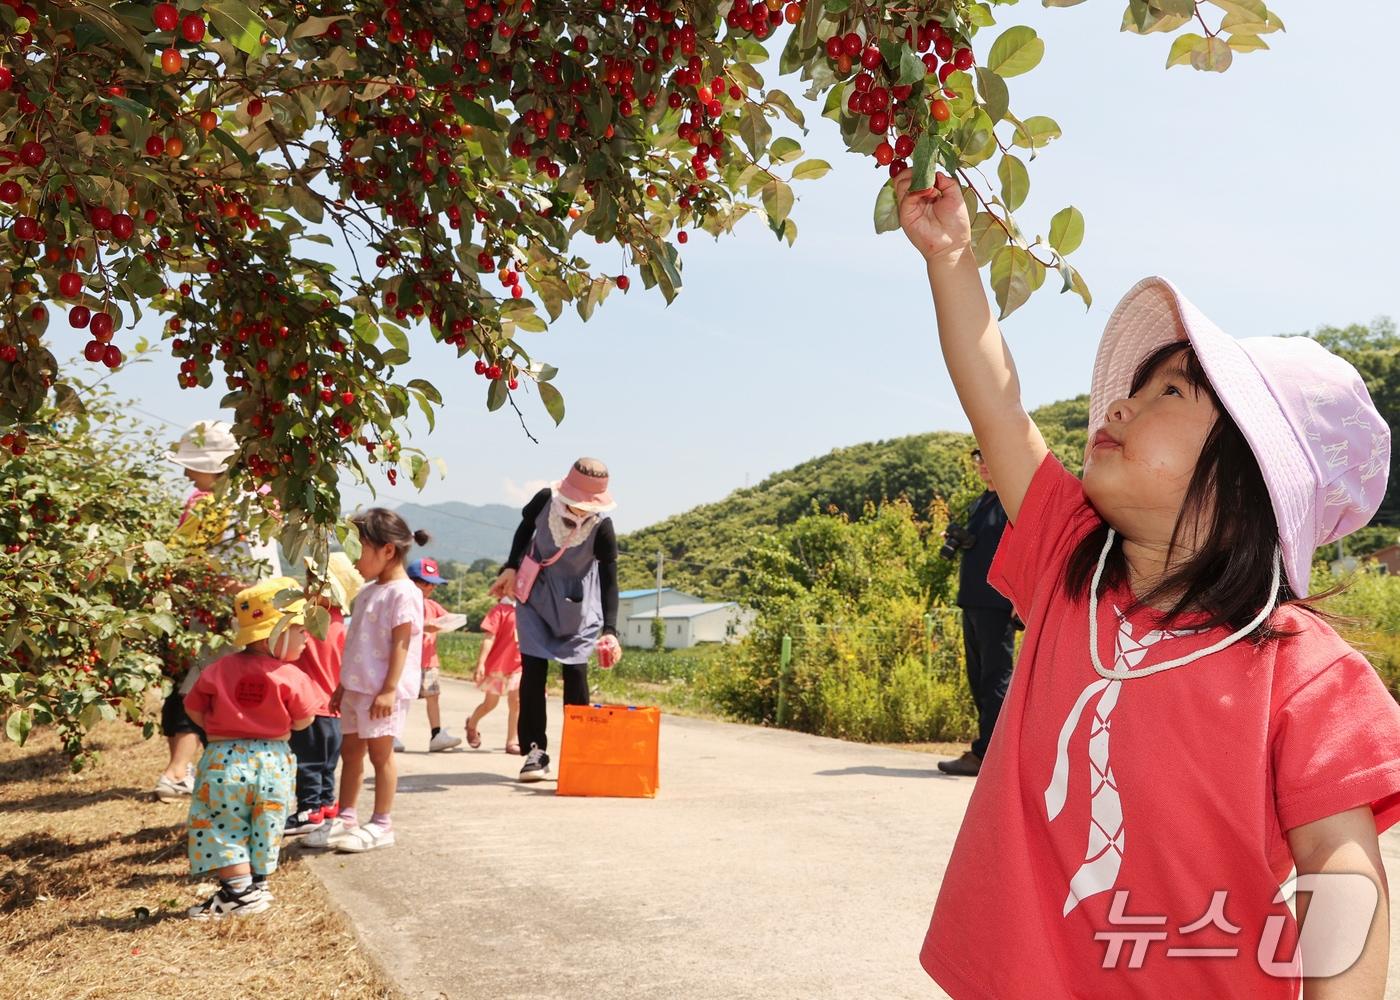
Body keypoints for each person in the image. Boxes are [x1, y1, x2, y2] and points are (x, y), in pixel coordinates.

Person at [897, 171, 1400, 997]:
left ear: (1249, 479)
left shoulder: (1305, 672)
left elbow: (1341, 869)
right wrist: (953, 258)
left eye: (1168, 391)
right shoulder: (1073, 562)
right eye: (1130, 393)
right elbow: (999, 406)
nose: (1119, 410)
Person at [155, 419, 279, 804]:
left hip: (217, 614)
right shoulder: (262, 498)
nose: (189, 473)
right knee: (230, 690)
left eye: (193, 466)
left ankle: (193, 772)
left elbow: (183, 560)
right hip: (254, 613)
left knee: (198, 687)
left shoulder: (208, 506)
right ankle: (217, 773)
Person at [182, 576, 318, 919]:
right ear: (275, 633)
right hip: (273, 761)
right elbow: (304, 722)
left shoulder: (219, 668)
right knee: (266, 823)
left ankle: (241, 893)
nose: (307, 636)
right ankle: (254, 887)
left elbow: (193, 708)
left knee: (223, 823)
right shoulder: (292, 676)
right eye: (299, 629)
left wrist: (218, 724)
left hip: (223, 761)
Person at [489, 458, 624, 782]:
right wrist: (510, 566)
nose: (580, 510)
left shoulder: (602, 527)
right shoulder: (545, 501)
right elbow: (524, 530)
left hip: (579, 607)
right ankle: (535, 752)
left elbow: (610, 580)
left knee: (576, 677)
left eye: (586, 505)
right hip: (535, 598)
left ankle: (580, 752)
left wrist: (611, 630)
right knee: (533, 675)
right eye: (576, 502)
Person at [309, 509, 427, 854]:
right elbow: (357, 640)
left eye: (357, 548)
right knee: (351, 752)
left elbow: (401, 643)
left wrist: (389, 689)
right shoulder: (367, 590)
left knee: (381, 755)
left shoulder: (404, 593)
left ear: (387, 550)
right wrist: (343, 684)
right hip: (357, 688)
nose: (353, 559)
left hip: (381, 692)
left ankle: (381, 823)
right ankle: (345, 818)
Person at [937, 446, 1016, 777]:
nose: (983, 465)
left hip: (997, 603)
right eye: (979, 460)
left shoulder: (1012, 502)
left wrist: (1019, 601)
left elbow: (1023, 552)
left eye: (988, 457)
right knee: (978, 679)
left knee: (995, 677)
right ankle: (986, 750)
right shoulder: (981, 503)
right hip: (972, 601)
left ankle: (990, 755)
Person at [284, 552, 362, 838]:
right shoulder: (343, 624)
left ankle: (308, 809)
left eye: (313, 581)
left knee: (308, 763)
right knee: (327, 763)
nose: (307, 586)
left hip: (311, 706)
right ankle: (328, 805)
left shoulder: (308, 622)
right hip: (337, 710)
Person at [399, 557, 463, 753]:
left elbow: (445, 618)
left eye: (433, 584)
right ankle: (393, 735)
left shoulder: (432, 605)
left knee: (433, 696)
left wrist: (449, 621)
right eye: (426, 583)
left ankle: (436, 734)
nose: (430, 588)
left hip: (428, 659)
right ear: (412, 581)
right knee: (401, 698)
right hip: (407, 659)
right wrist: (426, 626)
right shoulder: (405, 603)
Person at [466, 597, 523, 753]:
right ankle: (471, 724)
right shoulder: (499, 610)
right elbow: (489, 638)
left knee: (516, 702)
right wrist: (481, 663)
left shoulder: (528, 609)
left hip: (519, 664)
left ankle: (512, 741)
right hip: (498, 666)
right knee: (490, 704)